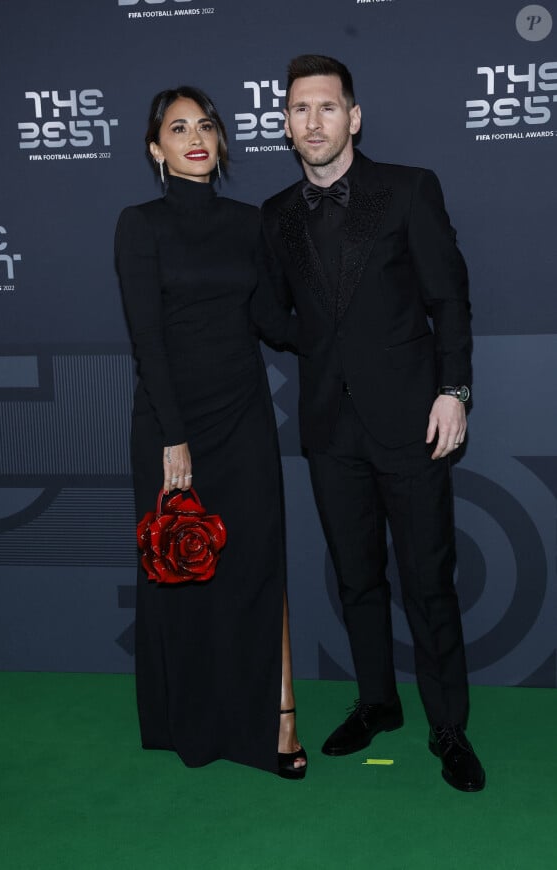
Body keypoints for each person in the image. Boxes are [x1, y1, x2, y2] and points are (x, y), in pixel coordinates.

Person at [259, 55, 485, 791]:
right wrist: (309, 338)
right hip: (329, 426)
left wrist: (453, 389)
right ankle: (378, 703)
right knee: (357, 579)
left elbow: (449, 297)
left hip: (413, 420)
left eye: (327, 107)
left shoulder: (408, 190)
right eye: (298, 109)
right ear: (285, 123)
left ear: (353, 117)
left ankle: (448, 726)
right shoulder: (277, 214)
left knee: (428, 580)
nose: (312, 121)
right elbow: (273, 311)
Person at [114, 86, 306, 779]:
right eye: (177, 127)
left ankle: (277, 719)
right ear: (155, 148)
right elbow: (148, 340)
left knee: (255, 565)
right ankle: (192, 723)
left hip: (244, 415)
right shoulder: (140, 224)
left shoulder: (248, 222)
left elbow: (271, 320)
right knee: (182, 572)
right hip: (174, 422)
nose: (194, 137)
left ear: (221, 142)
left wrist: (344, 320)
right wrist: (174, 436)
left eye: (205, 126)